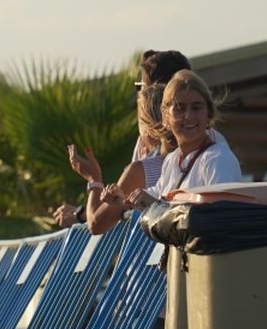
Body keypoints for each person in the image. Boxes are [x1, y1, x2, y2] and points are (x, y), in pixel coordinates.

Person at [52, 50, 191, 228]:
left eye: (140, 86)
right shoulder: (206, 147)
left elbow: (97, 223)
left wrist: (94, 179)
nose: (138, 95)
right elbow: (128, 206)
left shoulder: (150, 167)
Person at [66, 82, 173, 235]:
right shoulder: (191, 156)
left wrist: (94, 180)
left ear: (146, 127)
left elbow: (96, 224)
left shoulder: (141, 169)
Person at [129, 69, 241, 203]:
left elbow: (221, 216)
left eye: (196, 108)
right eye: (180, 108)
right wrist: (125, 199)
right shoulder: (172, 160)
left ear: (209, 113)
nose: (189, 116)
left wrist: (154, 205)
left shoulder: (217, 159)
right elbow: (155, 195)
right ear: (166, 117)